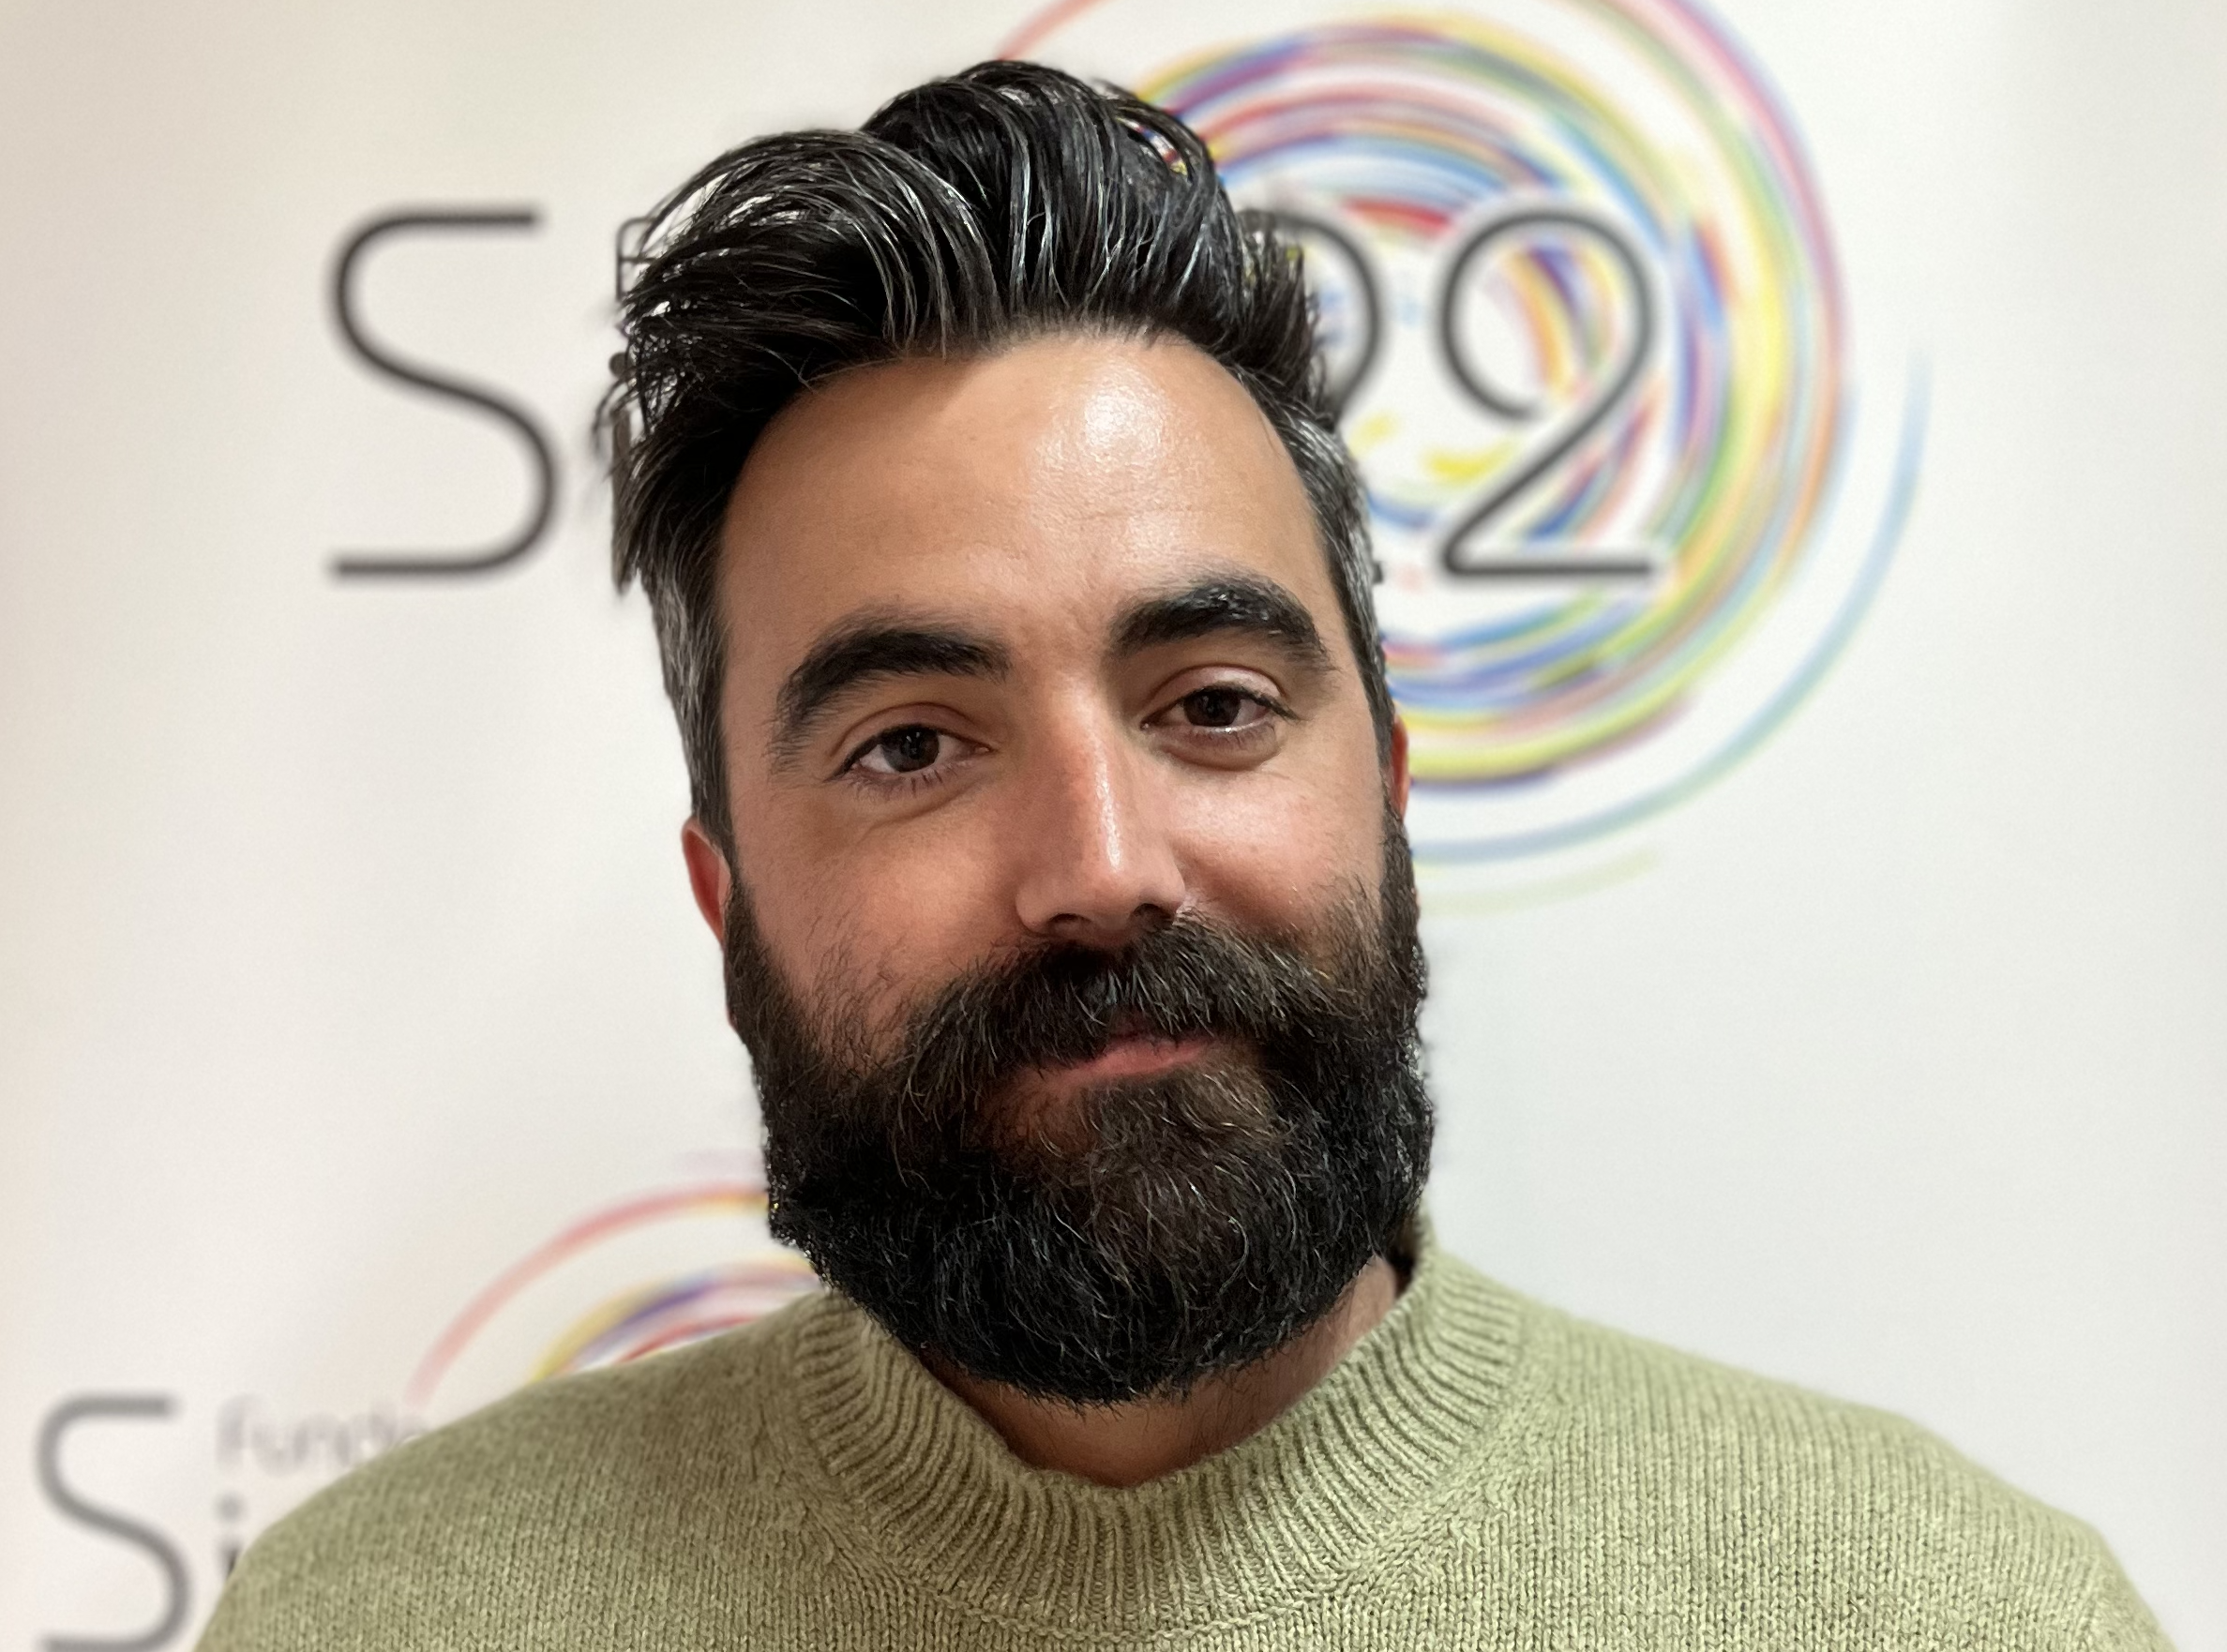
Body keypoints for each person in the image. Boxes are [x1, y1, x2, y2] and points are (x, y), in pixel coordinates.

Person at [199, 60, 2168, 1651]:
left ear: (1382, 788)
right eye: (911, 744)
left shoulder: (1941, 1610)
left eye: (1212, 703)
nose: (1103, 861)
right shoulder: (383, 1618)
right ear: (730, 913)